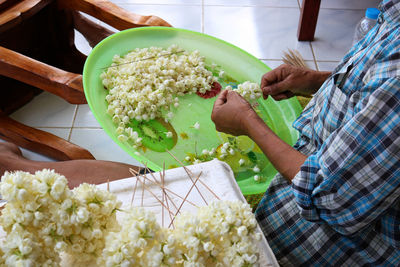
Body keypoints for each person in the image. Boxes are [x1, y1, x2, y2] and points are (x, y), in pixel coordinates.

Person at [211, 0, 400, 265]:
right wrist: (318, 81)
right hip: (303, 183)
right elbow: (373, 87)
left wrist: (248, 121)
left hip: (329, 245)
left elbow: (331, 197)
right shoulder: (394, 15)